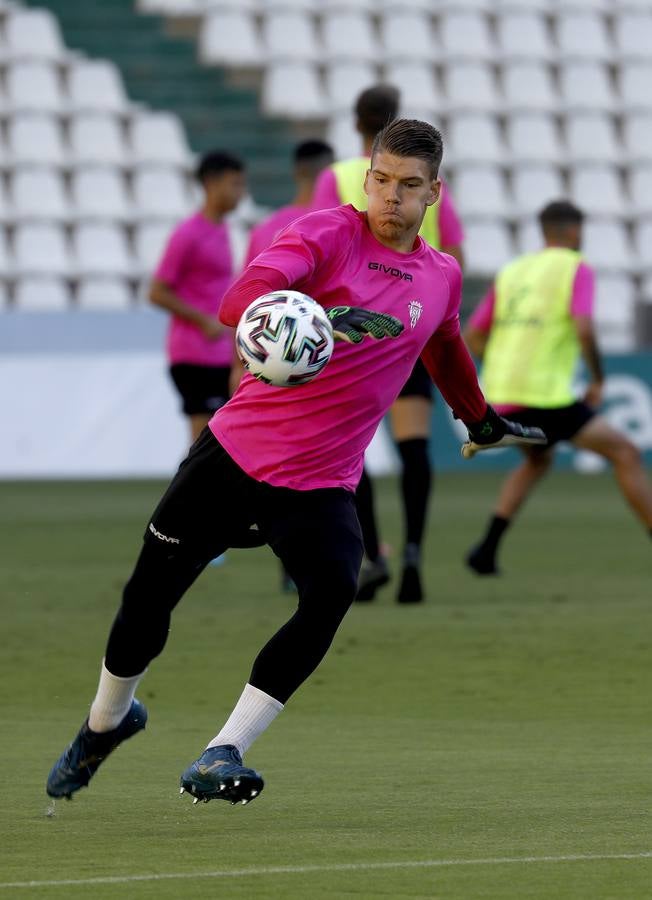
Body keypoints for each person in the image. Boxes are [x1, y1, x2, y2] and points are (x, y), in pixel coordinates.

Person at [46, 119, 544, 807]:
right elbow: (234, 305)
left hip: (319, 484)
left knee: (333, 590)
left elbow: (446, 344)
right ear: (365, 176)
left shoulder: (441, 275)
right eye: (380, 180)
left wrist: (480, 419)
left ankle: (223, 751)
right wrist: (319, 319)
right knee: (147, 600)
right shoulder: (326, 234)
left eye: (408, 186)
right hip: (233, 457)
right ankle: (106, 722)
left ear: (434, 192)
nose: (389, 197)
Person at [313, 85, 465, 605]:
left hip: (354, 330)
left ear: (356, 122)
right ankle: (415, 553)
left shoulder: (337, 178)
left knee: (350, 448)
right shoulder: (424, 183)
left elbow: (314, 244)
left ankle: (372, 557)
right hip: (418, 324)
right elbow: (456, 253)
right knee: (414, 446)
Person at [464, 200, 652, 576]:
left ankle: (485, 550)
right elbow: (583, 328)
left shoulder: (513, 270)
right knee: (625, 452)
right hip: (545, 395)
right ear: (573, 231)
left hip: (503, 392)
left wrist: (502, 369)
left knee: (538, 461)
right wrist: (598, 380)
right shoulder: (575, 268)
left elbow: (473, 335)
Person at [244, 138, 335, 592]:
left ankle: (285, 553)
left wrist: (238, 365)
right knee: (317, 467)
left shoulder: (268, 228)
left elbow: (249, 312)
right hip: (322, 368)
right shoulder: (338, 232)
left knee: (276, 462)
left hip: (271, 365)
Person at [149, 151, 247, 444]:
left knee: (218, 444)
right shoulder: (188, 233)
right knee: (205, 443)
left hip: (220, 354)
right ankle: (190, 492)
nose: (240, 193)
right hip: (195, 353)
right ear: (211, 184)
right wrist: (203, 320)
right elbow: (157, 291)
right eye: (235, 184)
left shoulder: (223, 230)